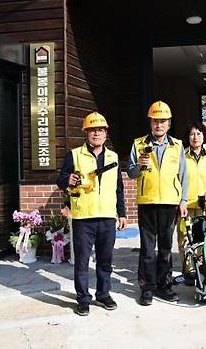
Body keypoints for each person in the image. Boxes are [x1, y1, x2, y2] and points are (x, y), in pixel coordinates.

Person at [57, 112, 127, 316]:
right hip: (83, 218)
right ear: (86, 133)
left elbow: (119, 188)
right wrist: (67, 180)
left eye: (100, 130)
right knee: (82, 261)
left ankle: (103, 294)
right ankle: (83, 299)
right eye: (92, 130)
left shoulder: (113, 157)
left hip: (106, 217)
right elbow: (61, 179)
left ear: (106, 134)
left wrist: (121, 214)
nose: (96, 133)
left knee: (105, 260)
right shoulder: (74, 154)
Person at [127, 101, 189, 306]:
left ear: (169, 124)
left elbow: (183, 175)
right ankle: (147, 288)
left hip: (169, 203)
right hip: (147, 201)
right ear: (150, 123)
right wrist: (139, 167)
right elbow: (131, 172)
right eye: (155, 121)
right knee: (147, 248)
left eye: (163, 121)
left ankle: (165, 286)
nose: (159, 125)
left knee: (165, 248)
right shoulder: (138, 144)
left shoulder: (177, 145)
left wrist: (183, 201)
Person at [174, 122, 206, 286]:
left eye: (199, 133)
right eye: (192, 134)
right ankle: (188, 272)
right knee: (185, 239)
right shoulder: (181, 155)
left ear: (204, 136)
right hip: (186, 205)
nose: (195, 137)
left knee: (204, 238)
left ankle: (202, 269)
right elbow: (176, 179)